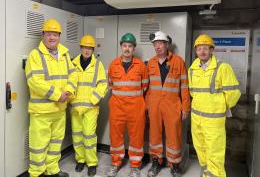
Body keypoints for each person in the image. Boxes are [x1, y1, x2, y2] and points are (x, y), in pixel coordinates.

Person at [25, 19, 77, 177]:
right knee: (38, 145)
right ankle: (37, 173)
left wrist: (68, 90)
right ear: (43, 35)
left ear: (59, 36)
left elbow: (73, 75)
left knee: (55, 143)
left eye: (55, 34)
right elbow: (35, 81)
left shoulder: (64, 54)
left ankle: (52, 170)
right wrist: (58, 94)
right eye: (48, 34)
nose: (52, 37)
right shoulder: (35, 55)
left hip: (59, 110)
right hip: (42, 111)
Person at [188, 34, 241, 177]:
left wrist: (220, 107)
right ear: (196, 51)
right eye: (199, 49)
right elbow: (193, 92)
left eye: (206, 48)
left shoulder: (223, 68)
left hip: (214, 120)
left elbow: (234, 93)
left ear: (212, 50)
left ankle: (215, 174)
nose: (202, 51)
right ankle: (207, 173)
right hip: (196, 118)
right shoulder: (192, 69)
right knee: (200, 148)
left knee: (215, 152)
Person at [146, 31, 190, 177]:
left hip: (172, 105)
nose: (157, 47)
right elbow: (146, 87)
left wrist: (185, 107)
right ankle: (156, 162)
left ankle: (175, 164)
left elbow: (184, 86)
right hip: (154, 105)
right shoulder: (150, 63)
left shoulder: (178, 61)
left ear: (166, 44)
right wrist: (147, 106)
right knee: (154, 135)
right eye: (155, 44)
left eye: (160, 43)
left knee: (174, 135)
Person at [107, 33, 148, 177]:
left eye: (130, 46)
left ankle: (135, 165)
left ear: (134, 48)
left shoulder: (141, 65)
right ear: (121, 47)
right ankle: (116, 163)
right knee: (115, 136)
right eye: (125, 46)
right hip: (117, 107)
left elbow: (145, 86)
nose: (127, 49)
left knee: (136, 137)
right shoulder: (113, 65)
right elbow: (110, 85)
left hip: (136, 107)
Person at [69, 34, 108, 176]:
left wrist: (93, 100)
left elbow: (103, 84)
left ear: (93, 50)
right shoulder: (72, 63)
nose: (87, 50)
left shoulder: (98, 65)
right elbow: (68, 84)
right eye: (85, 47)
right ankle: (80, 160)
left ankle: (92, 163)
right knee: (77, 135)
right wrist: (71, 100)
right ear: (81, 47)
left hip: (91, 108)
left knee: (89, 136)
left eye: (89, 48)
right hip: (75, 107)